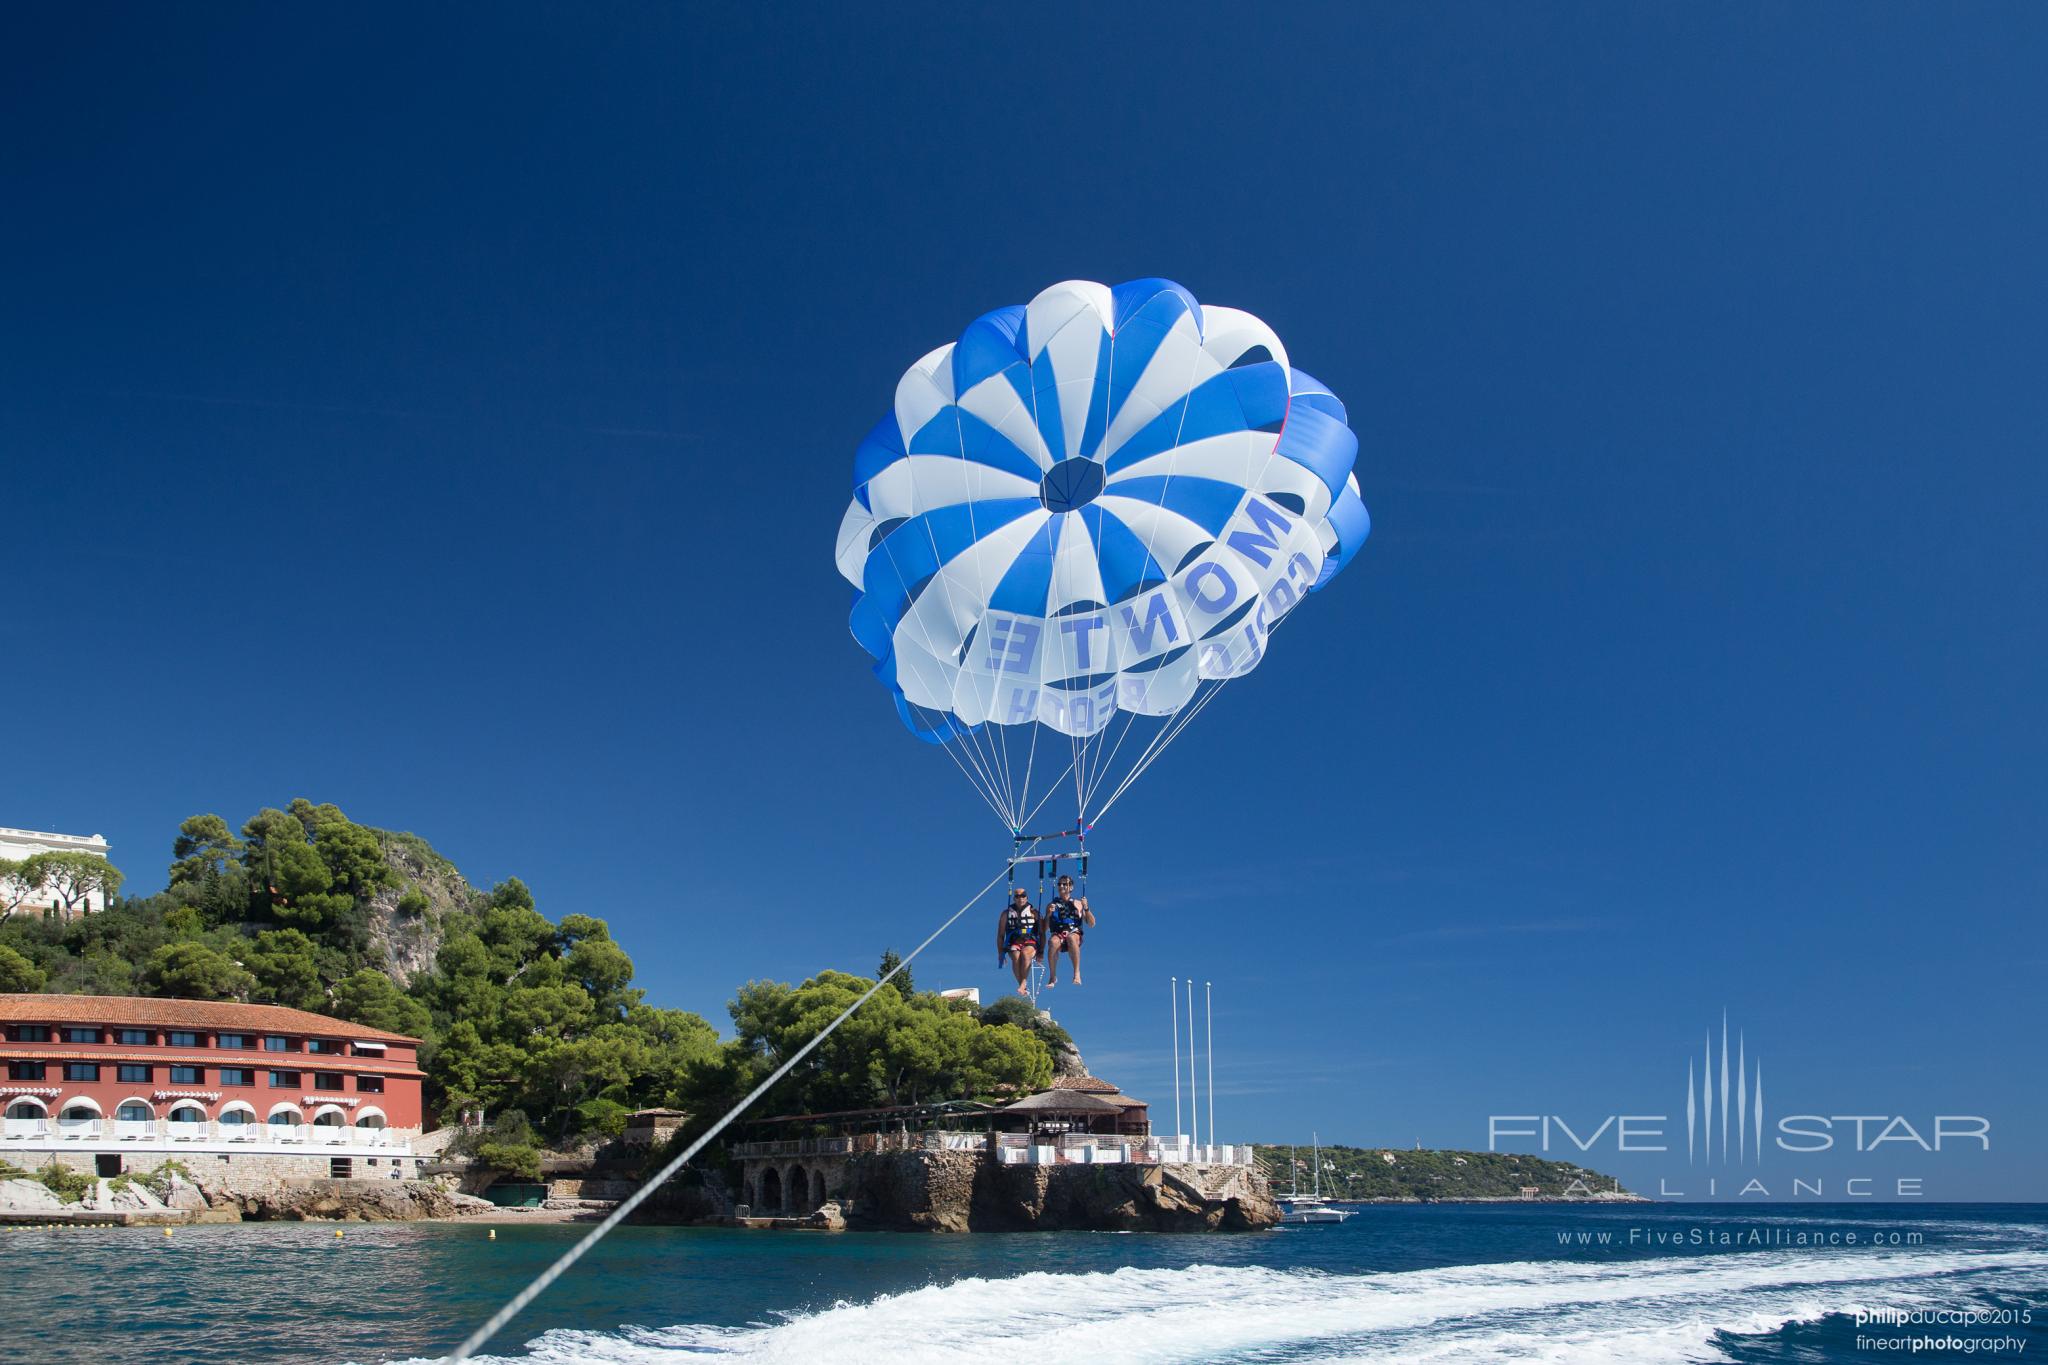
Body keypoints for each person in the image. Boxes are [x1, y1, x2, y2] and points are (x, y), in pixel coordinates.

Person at [1043, 874, 1095, 988]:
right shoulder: (1051, 905)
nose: (1062, 886)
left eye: (1065, 884)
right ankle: (1052, 976)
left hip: (1073, 932)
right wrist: (1049, 914)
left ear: (1071, 887)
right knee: (1052, 942)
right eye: (1060, 884)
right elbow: (1044, 928)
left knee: (1072, 938)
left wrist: (1086, 908)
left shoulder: (1078, 904)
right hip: (1058, 933)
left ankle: (1076, 972)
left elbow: (1091, 924)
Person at [996, 886, 1041, 996]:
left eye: (1023, 895)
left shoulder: (1034, 912)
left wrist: (1041, 952)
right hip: (1014, 941)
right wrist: (1000, 953)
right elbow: (1001, 935)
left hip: (1030, 940)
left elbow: (1042, 932)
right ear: (1014, 898)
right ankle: (1022, 986)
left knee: (1025, 954)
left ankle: (1023, 984)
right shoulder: (1006, 914)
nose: (1020, 898)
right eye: (1017, 896)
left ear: (1026, 897)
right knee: (1016, 957)